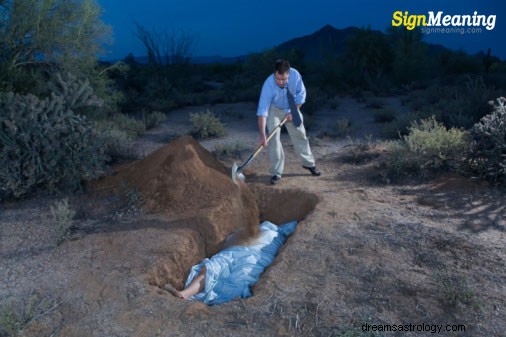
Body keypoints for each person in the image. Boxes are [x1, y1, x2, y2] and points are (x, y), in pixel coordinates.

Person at [257, 59, 321, 185]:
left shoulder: (295, 75)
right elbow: (262, 111)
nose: (281, 82)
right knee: (273, 138)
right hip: (274, 110)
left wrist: (293, 111)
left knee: (300, 134)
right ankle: (276, 172)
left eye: (284, 79)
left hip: (292, 106)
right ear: (274, 74)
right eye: (278, 79)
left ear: (289, 74)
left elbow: (301, 95)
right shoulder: (268, 84)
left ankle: (309, 164)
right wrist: (262, 134)